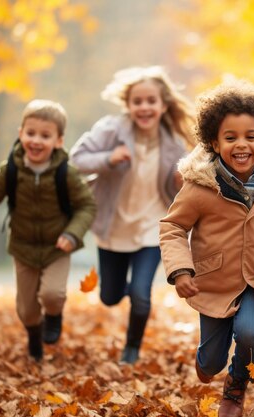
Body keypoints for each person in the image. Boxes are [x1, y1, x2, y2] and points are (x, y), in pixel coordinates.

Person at [159, 80, 254, 417]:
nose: (241, 145)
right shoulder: (201, 186)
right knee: (211, 360)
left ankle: (235, 388)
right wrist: (181, 270)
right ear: (213, 141)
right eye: (230, 137)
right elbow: (173, 227)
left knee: (249, 334)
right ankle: (211, 364)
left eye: (251, 137)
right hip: (214, 280)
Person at [0, 99, 97, 362]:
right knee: (26, 310)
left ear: (58, 141)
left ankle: (53, 316)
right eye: (31, 133)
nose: (36, 141)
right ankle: (34, 334)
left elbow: (87, 206)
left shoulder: (65, 173)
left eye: (45, 135)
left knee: (53, 294)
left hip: (58, 247)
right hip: (23, 248)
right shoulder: (11, 171)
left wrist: (72, 234)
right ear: (20, 134)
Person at [69, 66, 196, 364]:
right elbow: (77, 159)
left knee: (141, 293)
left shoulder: (173, 144)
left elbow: (186, 185)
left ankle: (131, 351)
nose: (144, 107)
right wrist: (108, 158)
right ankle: (119, 291)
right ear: (128, 105)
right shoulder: (111, 130)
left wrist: (180, 181)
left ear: (163, 105)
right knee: (110, 296)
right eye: (137, 101)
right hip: (114, 226)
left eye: (151, 101)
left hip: (153, 226)